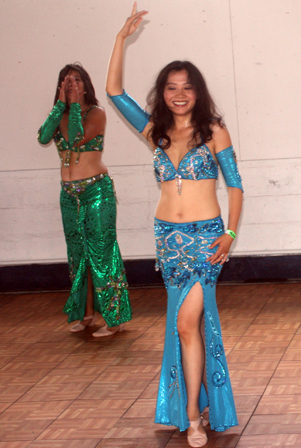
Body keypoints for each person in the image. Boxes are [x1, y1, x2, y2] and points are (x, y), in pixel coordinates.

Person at [106, 4, 242, 446]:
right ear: (162, 93)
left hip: (207, 240)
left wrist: (231, 234)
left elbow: (236, 188)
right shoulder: (155, 134)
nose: (178, 94)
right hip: (168, 240)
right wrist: (121, 39)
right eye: (170, 88)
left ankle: (192, 416)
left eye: (186, 88)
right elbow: (113, 91)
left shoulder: (214, 131)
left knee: (186, 324)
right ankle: (198, 401)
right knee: (187, 325)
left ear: (198, 92)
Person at [37, 64, 132, 336]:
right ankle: (86, 314)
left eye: (76, 80)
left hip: (96, 191)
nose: (71, 84)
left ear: (85, 84)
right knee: (78, 256)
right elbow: (43, 137)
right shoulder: (59, 115)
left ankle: (116, 319)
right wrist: (60, 107)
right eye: (66, 81)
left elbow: (76, 139)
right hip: (68, 194)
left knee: (101, 254)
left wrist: (76, 104)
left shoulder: (96, 113)